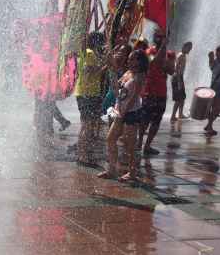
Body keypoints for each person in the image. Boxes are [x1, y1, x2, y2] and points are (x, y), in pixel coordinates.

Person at [98, 49, 148, 182]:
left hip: (131, 112)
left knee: (130, 144)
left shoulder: (140, 76)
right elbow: (116, 88)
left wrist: (123, 113)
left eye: (133, 59)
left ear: (140, 61)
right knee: (110, 139)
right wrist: (111, 68)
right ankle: (111, 169)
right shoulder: (128, 73)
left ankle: (132, 173)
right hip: (120, 111)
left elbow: (134, 97)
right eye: (129, 58)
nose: (129, 61)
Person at [138, 31, 175, 156]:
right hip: (149, 92)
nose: (159, 38)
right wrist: (162, 50)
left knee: (156, 121)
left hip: (161, 93)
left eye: (162, 36)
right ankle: (138, 143)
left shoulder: (170, 54)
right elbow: (153, 64)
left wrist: (167, 62)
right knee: (144, 120)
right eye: (158, 36)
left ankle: (147, 146)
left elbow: (171, 71)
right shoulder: (149, 52)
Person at [74, 32, 107, 165]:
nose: (102, 45)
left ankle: (83, 153)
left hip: (86, 93)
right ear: (96, 42)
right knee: (87, 126)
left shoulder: (86, 52)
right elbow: (89, 70)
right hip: (87, 93)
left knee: (87, 125)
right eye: (101, 42)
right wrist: (105, 66)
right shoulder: (89, 53)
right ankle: (82, 155)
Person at [170, 41, 193, 122]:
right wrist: (179, 80)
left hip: (179, 77)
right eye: (189, 48)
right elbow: (176, 68)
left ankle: (180, 114)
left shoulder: (183, 55)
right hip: (177, 78)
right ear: (184, 47)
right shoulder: (181, 55)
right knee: (178, 98)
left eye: (191, 49)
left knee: (182, 98)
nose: (190, 50)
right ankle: (173, 116)